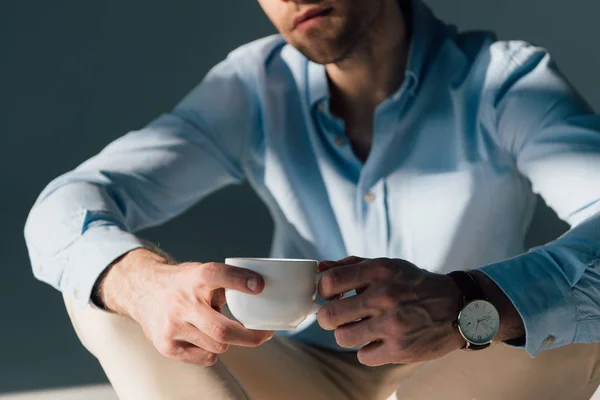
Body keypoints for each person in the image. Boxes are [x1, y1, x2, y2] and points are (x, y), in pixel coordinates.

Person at [24, 0, 600, 398]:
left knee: (571, 317)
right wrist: (144, 284)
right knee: (106, 282)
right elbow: (64, 205)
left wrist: (467, 301)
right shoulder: (252, 87)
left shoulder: (505, 81)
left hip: (463, 364)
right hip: (301, 375)